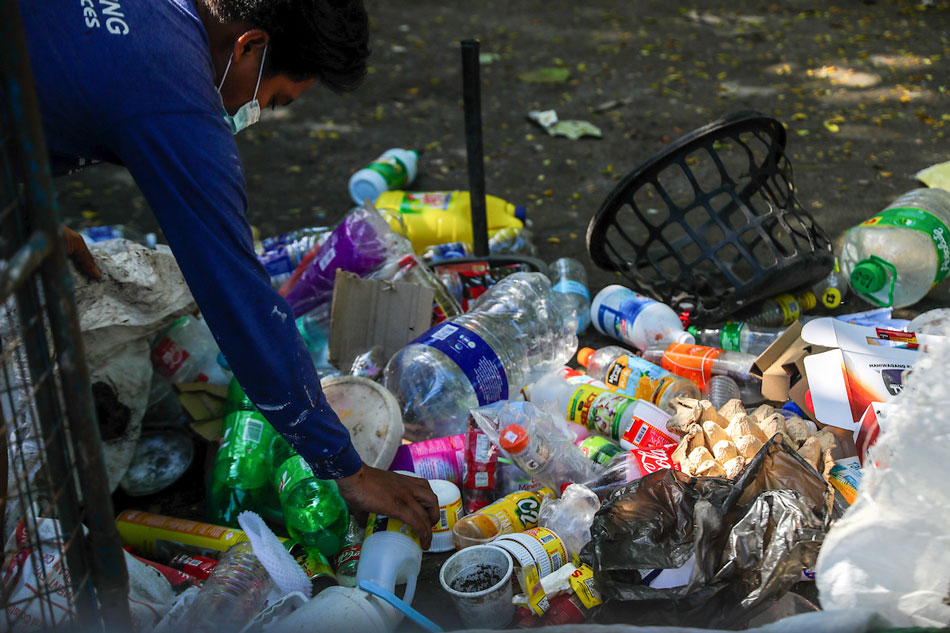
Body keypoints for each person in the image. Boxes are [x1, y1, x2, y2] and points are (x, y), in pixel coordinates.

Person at [18, 0, 440, 545]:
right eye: (271, 100)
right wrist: (347, 469)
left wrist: (28, 216)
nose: (255, 113)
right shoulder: (171, 94)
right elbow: (237, 295)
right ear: (249, 46)